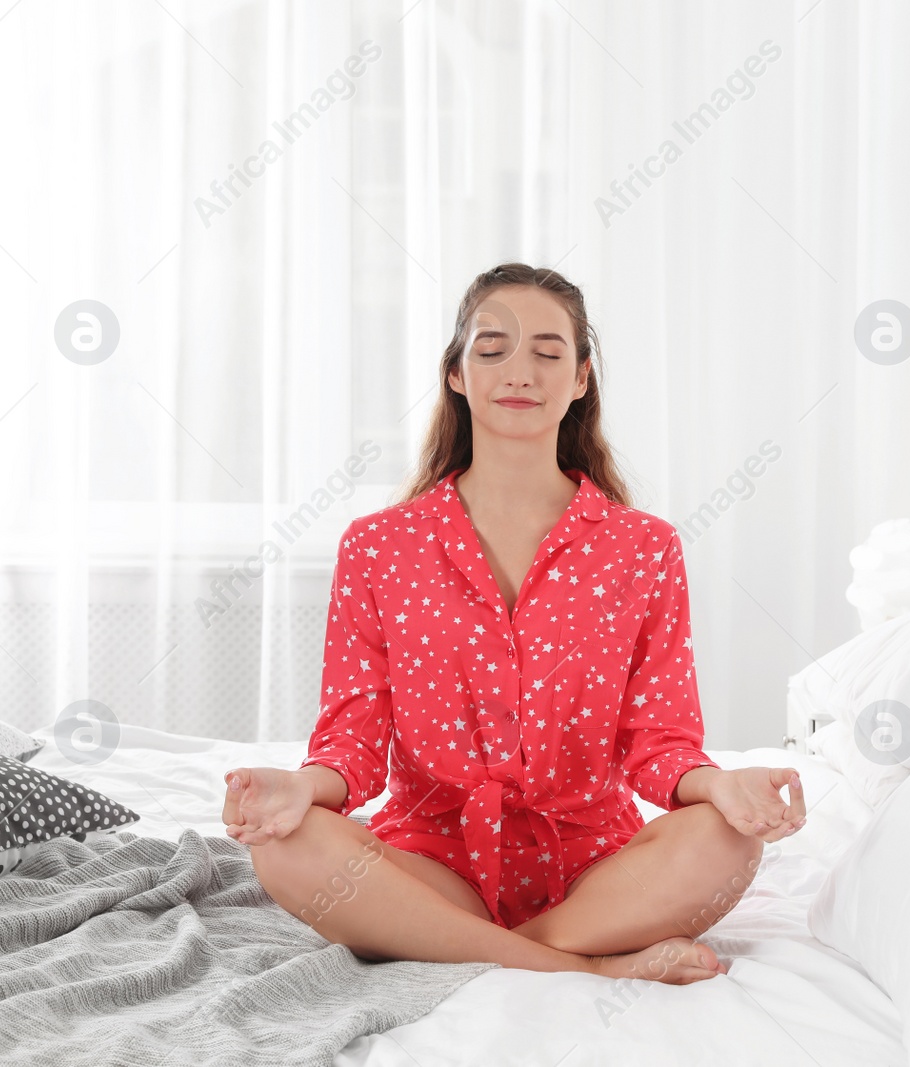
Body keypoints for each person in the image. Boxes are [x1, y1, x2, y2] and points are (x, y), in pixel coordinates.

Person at [222, 263, 807, 986]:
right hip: (432, 866)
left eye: (549, 352)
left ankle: (485, 945)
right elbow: (355, 739)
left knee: (730, 841)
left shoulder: (644, 547)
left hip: (596, 875)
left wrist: (719, 786)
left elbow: (658, 739)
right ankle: (588, 966)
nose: (519, 371)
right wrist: (302, 787)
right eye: (492, 348)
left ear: (582, 377)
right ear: (457, 374)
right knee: (285, 846)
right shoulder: (377, 546)